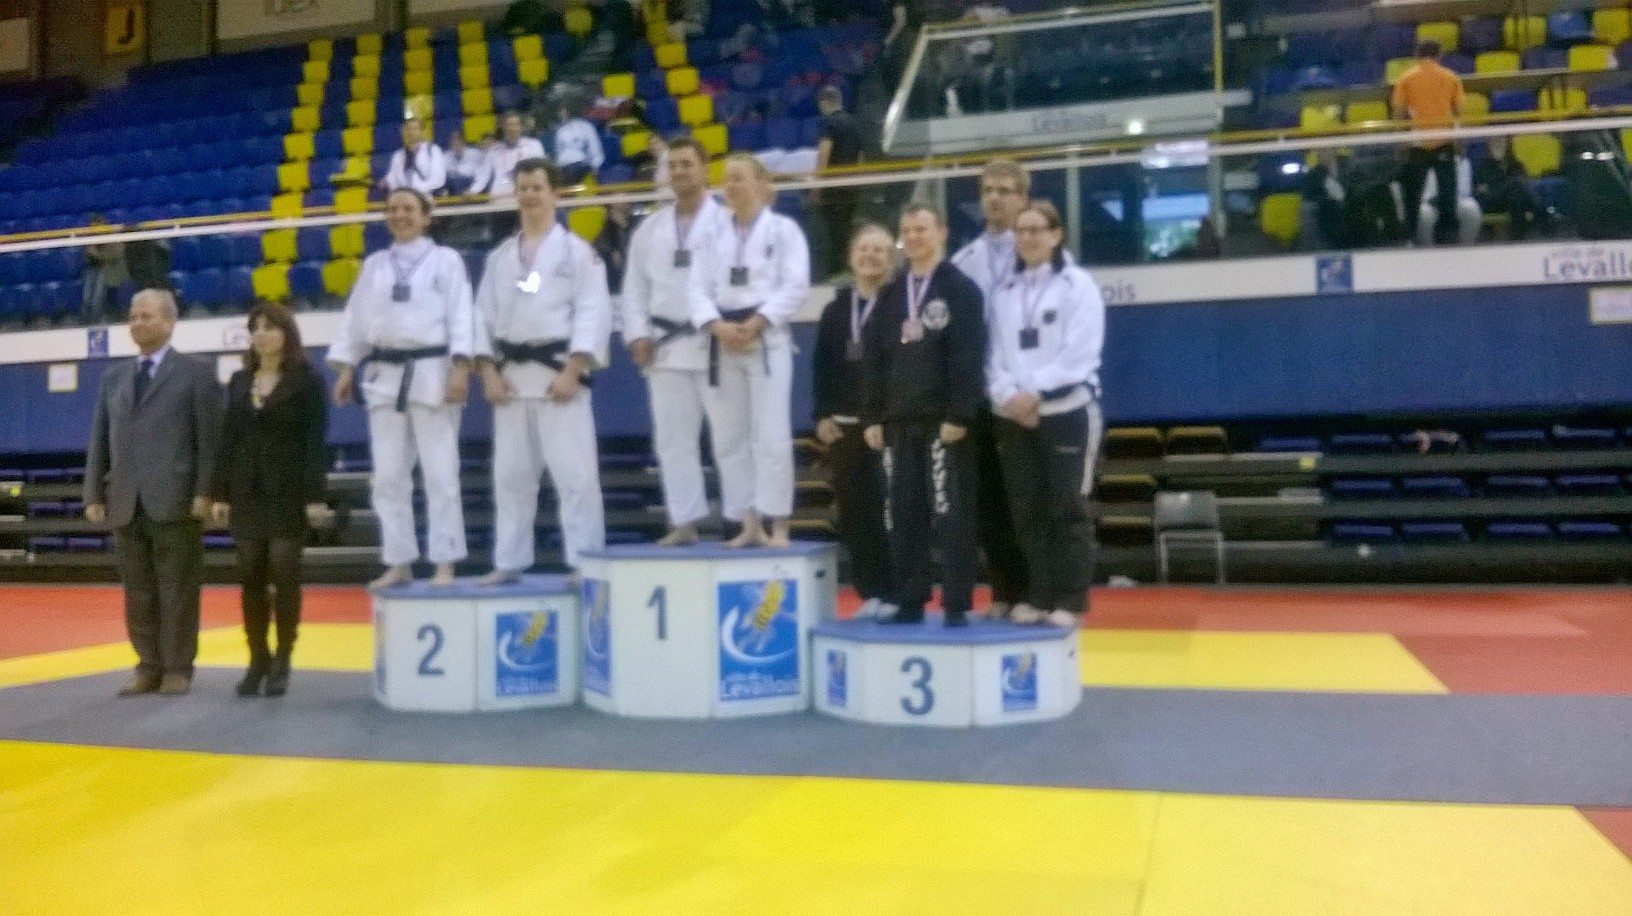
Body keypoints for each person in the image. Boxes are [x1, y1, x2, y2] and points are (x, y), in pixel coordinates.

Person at [328, 189, 476, 589]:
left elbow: (462, 316)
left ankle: (445, 561)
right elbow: (356, 320)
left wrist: (462, 368)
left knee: (441, 473)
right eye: (392, 209)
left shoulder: (447, 260)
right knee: (388, 476)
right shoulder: (375, 264)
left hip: (433, 372)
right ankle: (399, 560)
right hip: (384, 375)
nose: (400, 215)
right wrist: (347, 367)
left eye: (409, 208)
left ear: (427, 217)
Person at [474, 158, 612, 582]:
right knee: (510, 477)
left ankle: (584, 561)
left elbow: (593, 312)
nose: (530, 195)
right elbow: (480, 318)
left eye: (537, 187)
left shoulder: (578, 253)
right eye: (523, 188)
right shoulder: (500, 257)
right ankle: (508, 562)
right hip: (511, 380)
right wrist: (488, 373)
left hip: (559, 376)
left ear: (555, 193)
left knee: (575, 476)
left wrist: (574, 369)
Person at [84, 288, 222, 696]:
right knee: (138, 591)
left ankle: (177, 667)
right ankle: (148, 665)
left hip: (177, 499)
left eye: (146, 316)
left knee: (177, 589)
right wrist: (93, 493)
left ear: (169, 322)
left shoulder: (196, 372)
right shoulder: (113, 378)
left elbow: (210, 441)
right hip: (125, 500)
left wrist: (206, 491)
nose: (137, 323)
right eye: (133, 316)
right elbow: (99, 440)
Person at [861, 205, 986, 627]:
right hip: (898, 422)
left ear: (942, 232)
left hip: (943, 423)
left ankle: (956, 602)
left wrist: (960, 412)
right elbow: (874, 361)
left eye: (922, 229)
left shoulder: (960, 289)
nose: (913, 237)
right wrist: (872, 417)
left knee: (951, 512)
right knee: (903, 511)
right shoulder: (891, 295)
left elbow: (969, 355)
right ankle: (910, 598)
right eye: (907, 230)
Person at [986, 201, 1104, 628]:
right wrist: (1008, 395)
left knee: (1067, 509)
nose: (1028, 238)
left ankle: (1070, 601)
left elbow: (1080, 353)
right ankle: (1038, 595)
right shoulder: (1003, 291)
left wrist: (1032, 393)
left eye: (1037, 230)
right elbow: (993, 355)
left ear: (1056, 235)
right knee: (1026, 511)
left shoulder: (1078, 286)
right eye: (1021, 231)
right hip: (1013, 417)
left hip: (1066, 411)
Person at [207, 303, 331, 697]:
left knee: (285, 572)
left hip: (288, 491)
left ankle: (283, 658)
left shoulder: (309, 381)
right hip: (246, 491)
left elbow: (315, 443)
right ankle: (257, 657)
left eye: (270, 327)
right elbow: (227, 439)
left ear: (287, 334)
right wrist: (220, 492)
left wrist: (315, 496)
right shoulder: (239, 381)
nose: (261, 334)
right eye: (255, 328)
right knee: (250, 576)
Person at [689, 153, 810, 548]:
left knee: (771, 435)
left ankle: (779, 524)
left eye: (739, 178)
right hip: (723, 338)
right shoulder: (710, 234)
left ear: (761, 184)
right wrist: (717, 325)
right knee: (729, 438)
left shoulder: (784, 230)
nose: (731, 186)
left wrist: (758, 321)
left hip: (766, 340)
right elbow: (695, 289)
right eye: (727, 179)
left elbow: (796, 285)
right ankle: (748, 521)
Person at [621, 137, 732, 546]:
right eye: (673, 165)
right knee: (672, 441)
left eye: (687, 164)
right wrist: (638, 335)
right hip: (665, 346)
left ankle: (742, 520)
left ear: (705, 169)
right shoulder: (649, 229)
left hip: (715, 343)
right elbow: (634, 289)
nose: (680, 171)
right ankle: (684, 521)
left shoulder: (727, 222)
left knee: (730, 437)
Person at [949, 158, 1030, 619]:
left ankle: (1037, 593)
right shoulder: (963, 263)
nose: (994, 198)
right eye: (987, 191)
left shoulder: (1041, 255)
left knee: (1029, 499)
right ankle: (1003, 592)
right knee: (990, 501)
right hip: (982, 398)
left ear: (1023, 197)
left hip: (1027, 398)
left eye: (1004, 190)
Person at [813, 224, 898, 619]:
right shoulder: (835, 310)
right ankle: (871, 591)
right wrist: (821, 414)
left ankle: (899, 590)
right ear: (850, 257)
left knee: (893, 509)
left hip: (889, 424)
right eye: (864, 249)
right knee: (854, 510)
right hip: (845, 425)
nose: (870, 256)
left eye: (879, 250)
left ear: (891, 259)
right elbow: (822, 367)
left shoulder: (901, 305)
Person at [1392, 40, 1464, 243]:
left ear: (1417, 55)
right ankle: (1447, 240)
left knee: (1412, 196)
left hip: (1417, 143)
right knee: (1448, 195)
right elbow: (1458, 113)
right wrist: (1459, 144)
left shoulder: (1406, 78)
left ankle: (1410, 238)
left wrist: (1400, 143)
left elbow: (1399, 113)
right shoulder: (1451, 77)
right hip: (1444, 142)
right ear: (1439, 55)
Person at [814, 85, 864, 276]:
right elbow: (861, 156)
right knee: (846, 227)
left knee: (832, 230)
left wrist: (817, 185)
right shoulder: (853, 123)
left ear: (824, 102)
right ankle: (848, 267)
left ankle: (835, 270)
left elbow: (824, 153)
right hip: (851, 185)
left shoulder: (829, 123)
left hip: (832, 186)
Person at [1473, 137, 1541, 241]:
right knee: (1517, 183)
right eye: (1493, 142)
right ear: (1488, 145)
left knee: (1516, 195)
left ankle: (1517, 239)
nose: (1497, 144)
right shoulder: (1484, 167)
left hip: (1512, 202)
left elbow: (1524, 189)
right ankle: (1542, 214)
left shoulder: (1516, 165)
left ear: (1508, 144)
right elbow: (1481, 192)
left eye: (1500, 141)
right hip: (1490, 203)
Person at [1417, 149, 1482, 246]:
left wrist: (1448, 199)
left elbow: (1464, 192)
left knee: (1471, 208)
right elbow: (1423, 194)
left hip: (1455, 202)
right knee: (1423, 213)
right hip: (1430, 204)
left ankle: (1466, 248)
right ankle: (1427, 250)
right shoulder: (1422, 162)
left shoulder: (1461, 161)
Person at [476, 111, 547, 197]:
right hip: (499, 194)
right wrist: (472, 192)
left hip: (526, 193)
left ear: (521, 127)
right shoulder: (493, 150)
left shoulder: (533, 145)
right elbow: (483, 176)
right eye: (508, 125)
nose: (512, 129)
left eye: (515, 125)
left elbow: (542, 171)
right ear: (503, 127)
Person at [383, 119, 449, 196]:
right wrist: (387, 183)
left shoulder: (433, 150)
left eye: (415, 129)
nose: (411, 132)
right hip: (404, 198)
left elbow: (439, 178)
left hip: (427, 196)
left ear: (422, 131)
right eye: (408, 129)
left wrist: (416, 191)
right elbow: (392, 179)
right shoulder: (398, 155)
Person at [552, 103, 606, 185]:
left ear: (569, 111)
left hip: (582, 168)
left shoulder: (585, 126)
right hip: (564, 169)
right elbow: (558, 154)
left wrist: (595, 168)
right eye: (559, 111)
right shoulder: (560, 131)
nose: (561, 114)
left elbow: (596, 150)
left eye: (563, 111)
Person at [445, 131, 488, 196]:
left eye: (457, 140)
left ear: (463, 141)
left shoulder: (475, 154)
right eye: (453, 141)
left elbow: (481, 176)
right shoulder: (447, 156)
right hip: (454, 188)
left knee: (457, 180)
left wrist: (472, 191)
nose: (455, 143)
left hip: (471, 186)